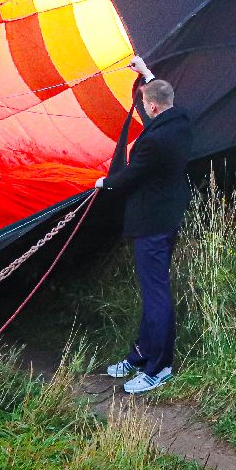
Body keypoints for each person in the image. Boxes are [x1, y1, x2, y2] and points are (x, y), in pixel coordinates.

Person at [95, 57, 192, 395]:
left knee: (155, 296)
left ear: (152, 107)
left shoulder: (153, 141)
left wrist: (103, 184)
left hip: (152, 223)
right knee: (154, 291)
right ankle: (140, 354)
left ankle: (159, 366)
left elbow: (130, 176)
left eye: (146, 107)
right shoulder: (181, 121)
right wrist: (147, 75)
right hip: (168, 218)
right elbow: (161, 96)